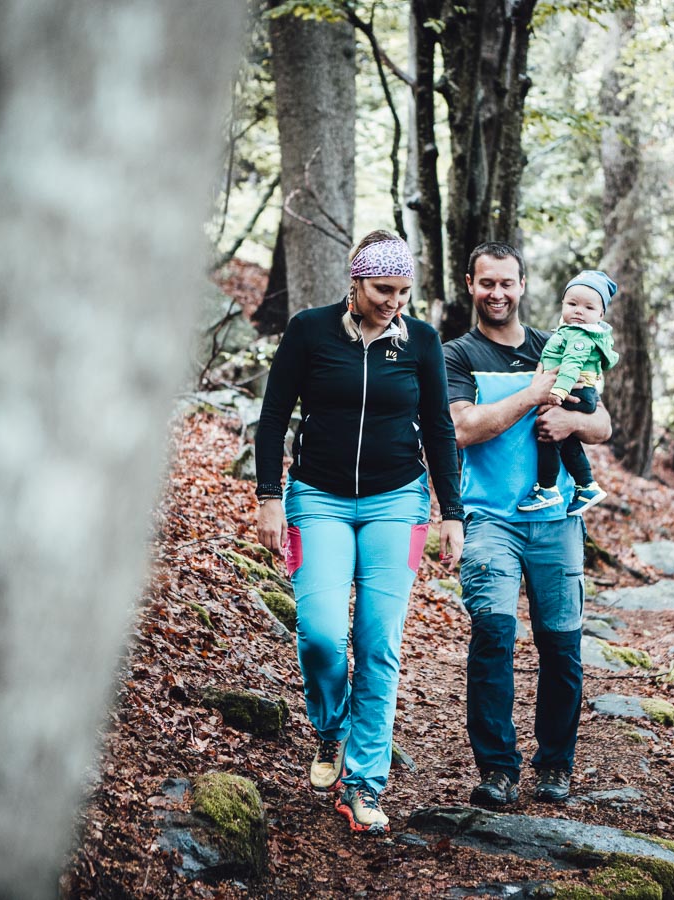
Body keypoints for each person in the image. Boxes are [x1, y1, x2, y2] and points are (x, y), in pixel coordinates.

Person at [255, 230, 464, 834]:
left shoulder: (422, 341)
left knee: (378, 645)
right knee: (320, 634)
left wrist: (451, 513)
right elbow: (272, 420)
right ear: (355, 282)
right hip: (316, 500)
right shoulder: (309, 330)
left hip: (398, 504)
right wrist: (271, 498)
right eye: (381, 290)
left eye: (403, 291)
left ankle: (365, 784)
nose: (393, 302)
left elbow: (440, 430)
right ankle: (330, 728)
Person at [443, 242, 612, 806]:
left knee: (561, 646)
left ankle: (555, 767)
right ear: (471, 284)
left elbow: (603, 424)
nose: (498, 293)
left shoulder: (556, 343)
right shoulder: (457, 356)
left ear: (522, 285)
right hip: (490, 520)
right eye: (487, 283)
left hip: (557, 520)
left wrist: (571, 420)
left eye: (507, 283)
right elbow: (463, 429)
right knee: (492, 637)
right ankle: (497, 770)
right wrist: (535, 393)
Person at [517, 270, 620, 516]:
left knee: (548, 434)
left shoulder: (579, 335)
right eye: (572, 304)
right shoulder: (568, 331)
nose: (578, 311)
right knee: (566, 437)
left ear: (600, 314)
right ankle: (587, 485)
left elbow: (572, 365)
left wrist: (558, 393)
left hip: (576, 393)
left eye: (588, 307)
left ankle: (547, 487)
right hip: (581, 393)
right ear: (562, 304)